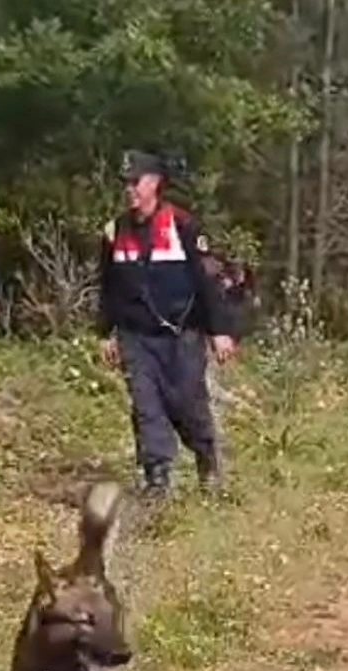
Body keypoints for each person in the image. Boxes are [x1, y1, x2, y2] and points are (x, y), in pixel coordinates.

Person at [97, 149, 238, 499]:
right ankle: (157, 478)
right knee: (146, 407)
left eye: (136, 181)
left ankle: (206, 456)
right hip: (137, 337)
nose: (129, 189)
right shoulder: (115, 232)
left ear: (155, 183)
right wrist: (104, 332)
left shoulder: (184, 226)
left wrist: (220, 330)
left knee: (187, 405)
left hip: (183, 335)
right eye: (125, 183)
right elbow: (108, 287)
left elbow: (208, 282)